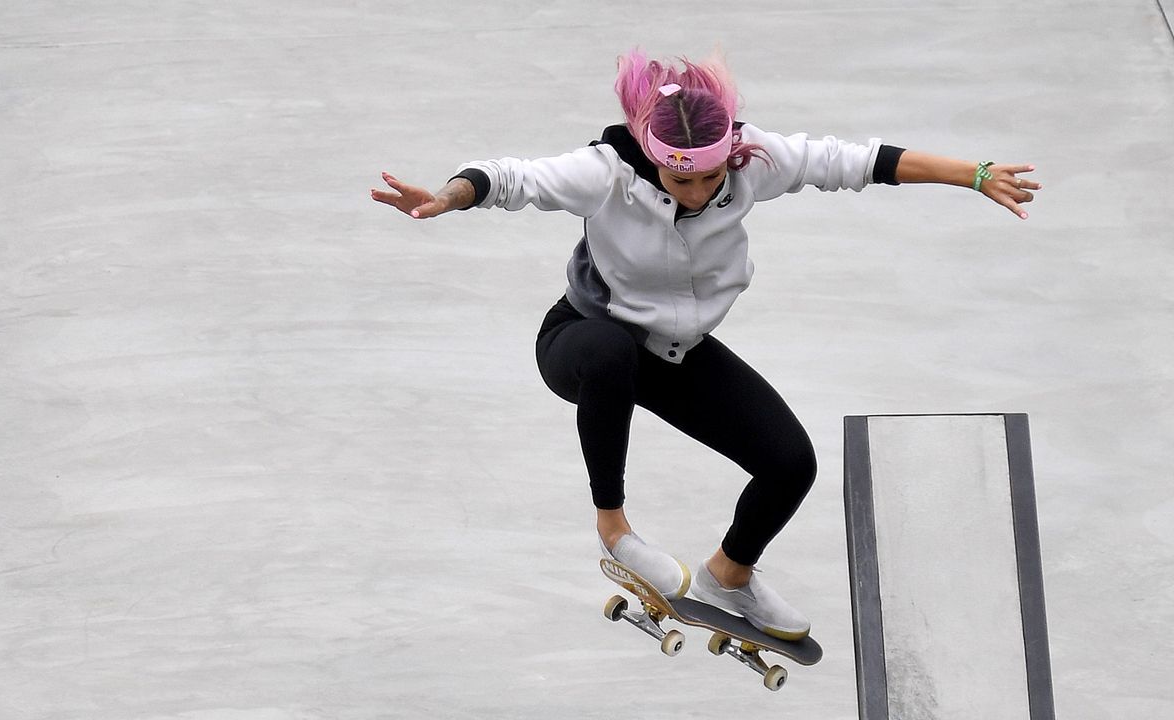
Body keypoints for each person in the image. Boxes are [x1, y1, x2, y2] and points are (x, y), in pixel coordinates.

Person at [370, 49, 1040, 641]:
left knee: (790, 464)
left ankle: (730, 574)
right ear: (655, 160)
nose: (694, 192)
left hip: (673, 354)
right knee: (608, 353)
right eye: (678, 180)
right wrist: (449, 196)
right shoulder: (604, 172)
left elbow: (859, 161)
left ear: (729, 157)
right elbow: (509, 177)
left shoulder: (756, 161)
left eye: (707, 180)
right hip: (581, 339)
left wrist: (972, 175)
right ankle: (615, 529)